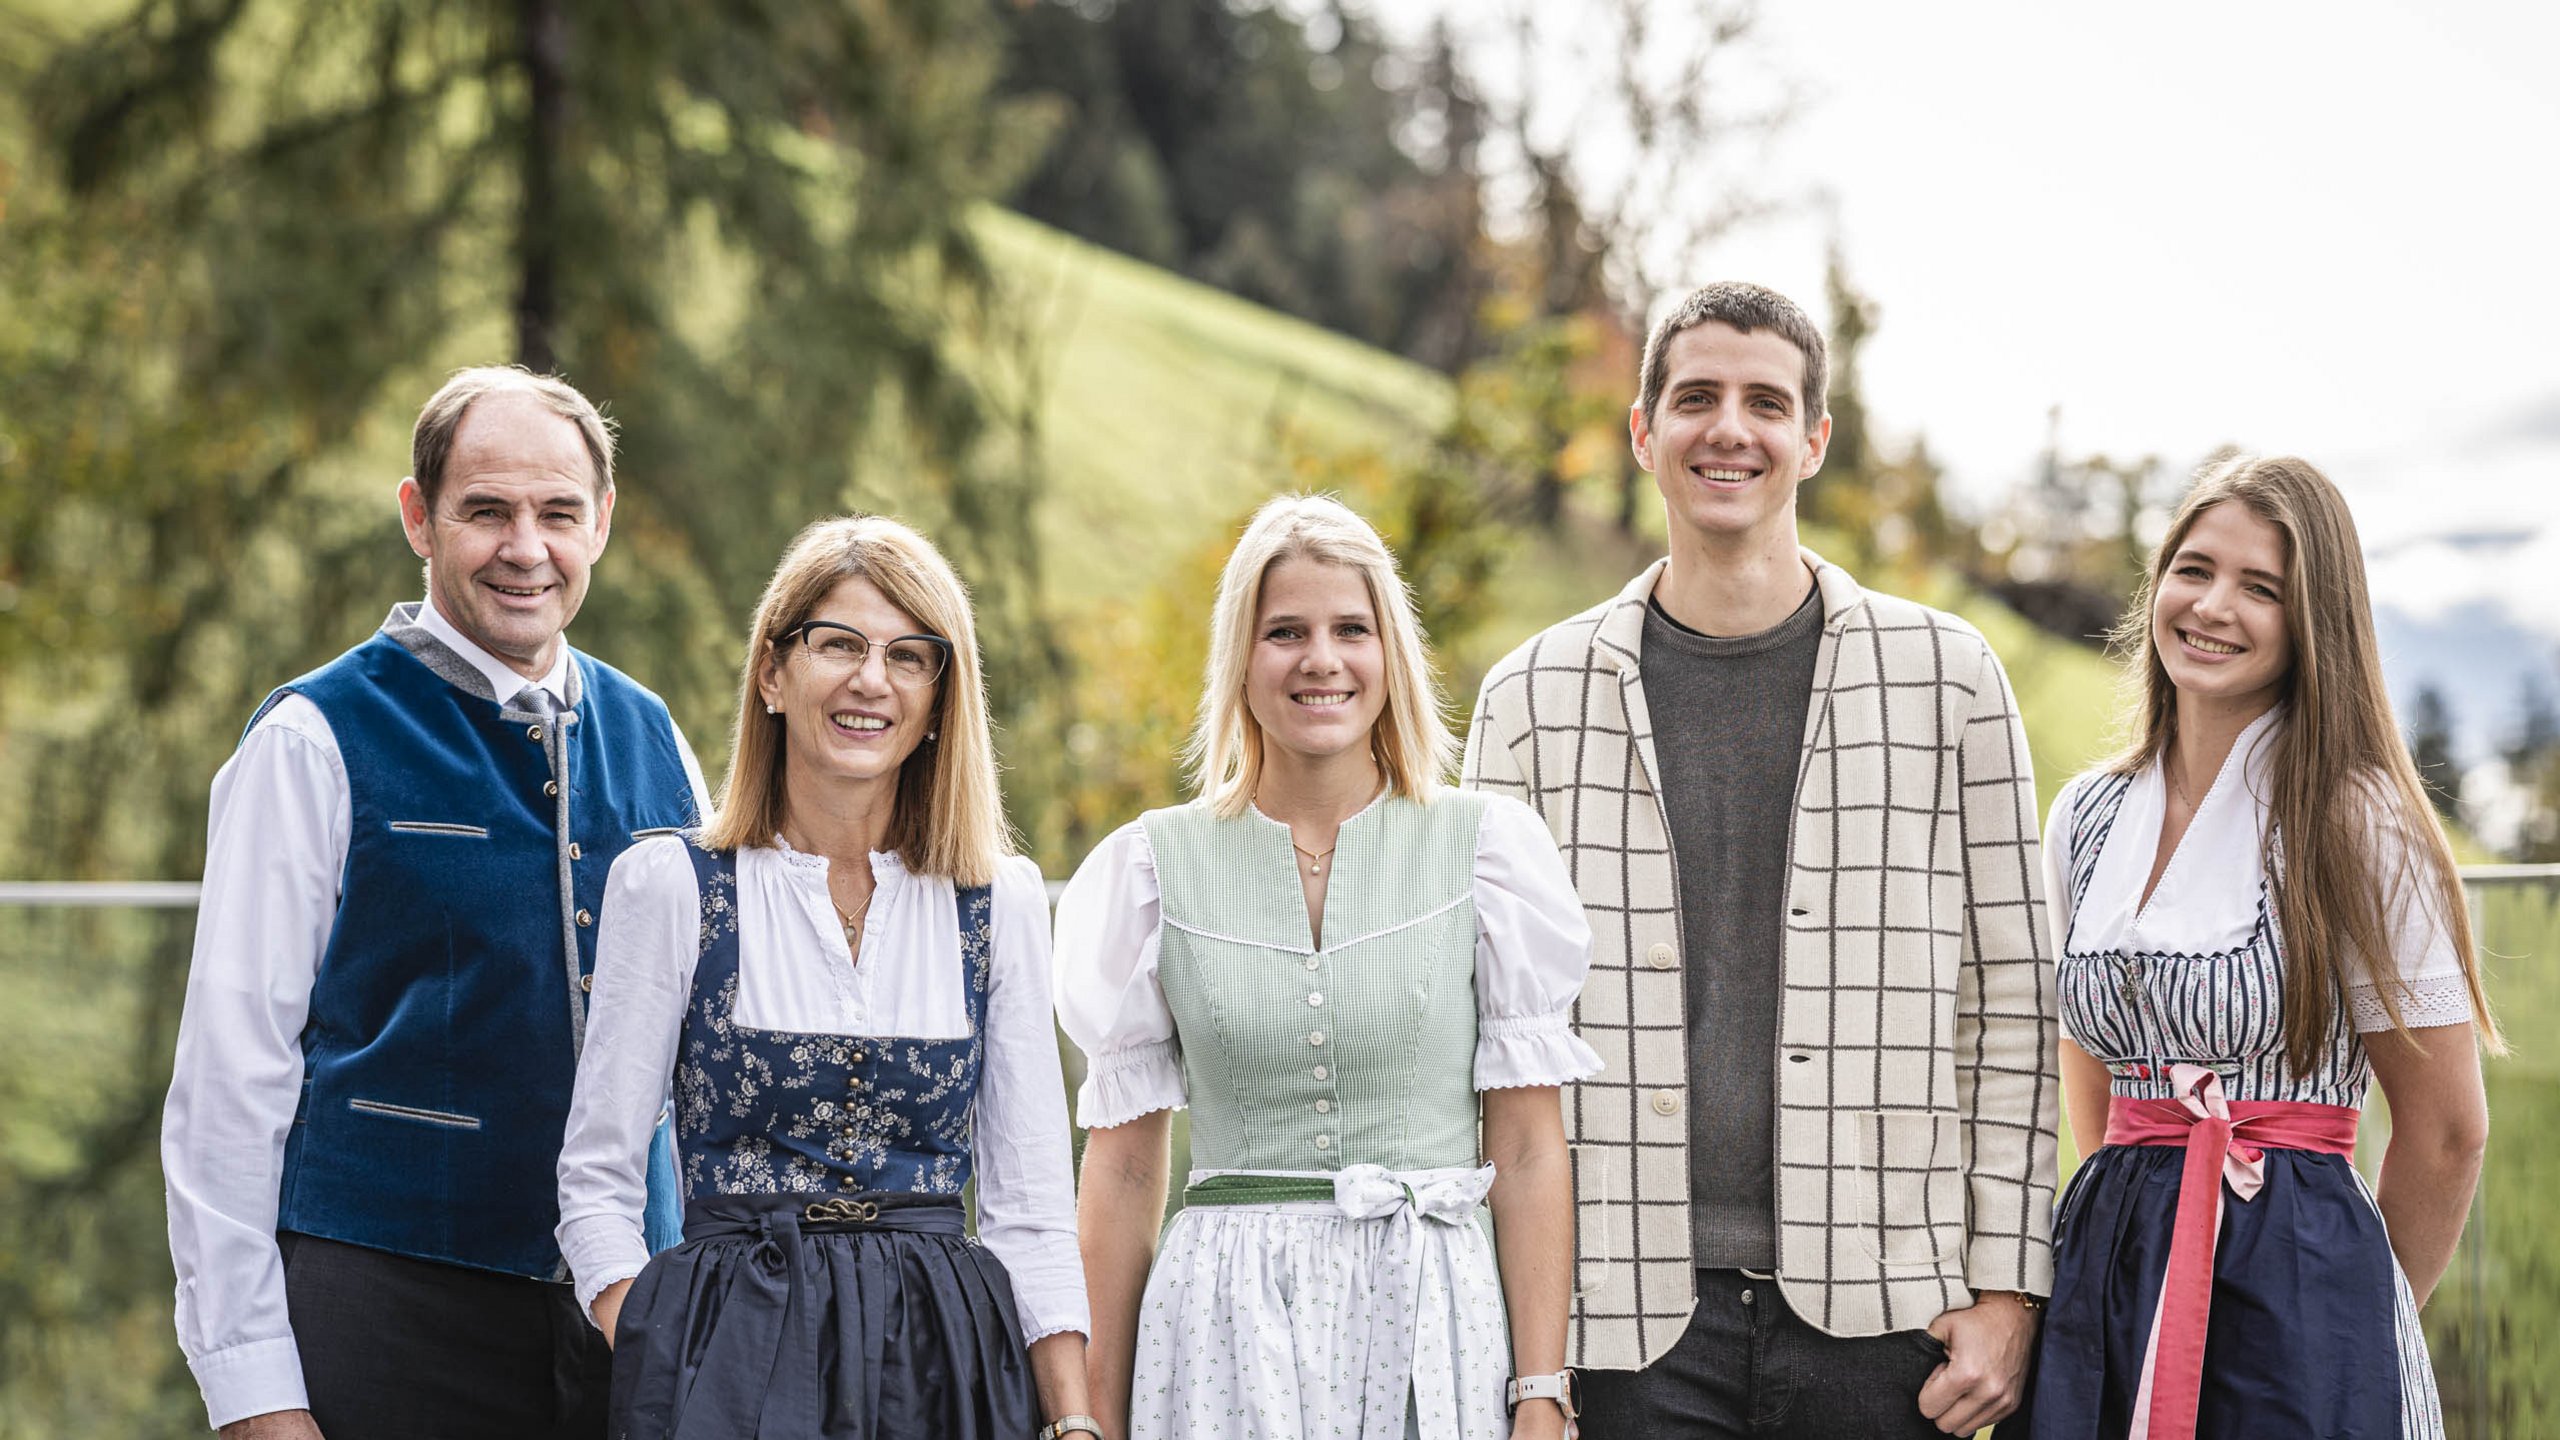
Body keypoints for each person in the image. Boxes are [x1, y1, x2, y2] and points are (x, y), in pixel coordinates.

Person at [1462, 280, 2060, 1438]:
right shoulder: (1527, 701)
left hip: (1889, 1312)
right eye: (1695, 398)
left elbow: (2008, 1008)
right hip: (1614, 1316)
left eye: (1765, 403)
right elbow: (1486, 1031)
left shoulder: (1951, 682)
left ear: (1813, 439)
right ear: (1643, 433)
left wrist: (2006, 1290)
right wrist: (1522, 1344)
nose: (1728, 429)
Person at [162, 366, 708, 1439]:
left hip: (631, 1325)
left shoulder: (660, 738)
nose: (525, 547)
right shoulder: (312, 738)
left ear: (601, 522)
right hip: (387, 1317)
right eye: (486, 511)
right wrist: (252, 1393)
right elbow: (230, 1079)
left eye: (558, 514)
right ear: (419, 517)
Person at [1061, 495, 1599, 1440]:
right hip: (1225, 1326)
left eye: (1352, 629)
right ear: (1240, 657)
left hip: (1431, 1312)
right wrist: (1093, 1417)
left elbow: (1523, 1147)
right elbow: (1125, 1171)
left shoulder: (1486, 851)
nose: (1321, 659)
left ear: (1391, 653)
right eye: (1285, 632)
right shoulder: (1151, 868)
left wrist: (1541, 1393)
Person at [555, 514, 1097, 1440]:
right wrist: (660, 1342)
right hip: (730, 1360)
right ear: (772, 673)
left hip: (947, 1368)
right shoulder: (672, 886)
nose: (871, 680)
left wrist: (1074, 1422)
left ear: (940, 698)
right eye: (838, 644)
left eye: (908, 656)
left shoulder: (996, 901)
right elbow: (596, 1178)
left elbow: (1033, 1207)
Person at [2004, 455, 2496, 1439]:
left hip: (2302, 1278)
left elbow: (2446, 1131)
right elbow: (2088, 1068)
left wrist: (2350, 1322)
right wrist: (2142, 1229)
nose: (2213, 606)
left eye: (2260, 587)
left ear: (2314, 620)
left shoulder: (2357, 823)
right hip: (2112, 1269)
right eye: (2194, 570)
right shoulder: (2086, 817)